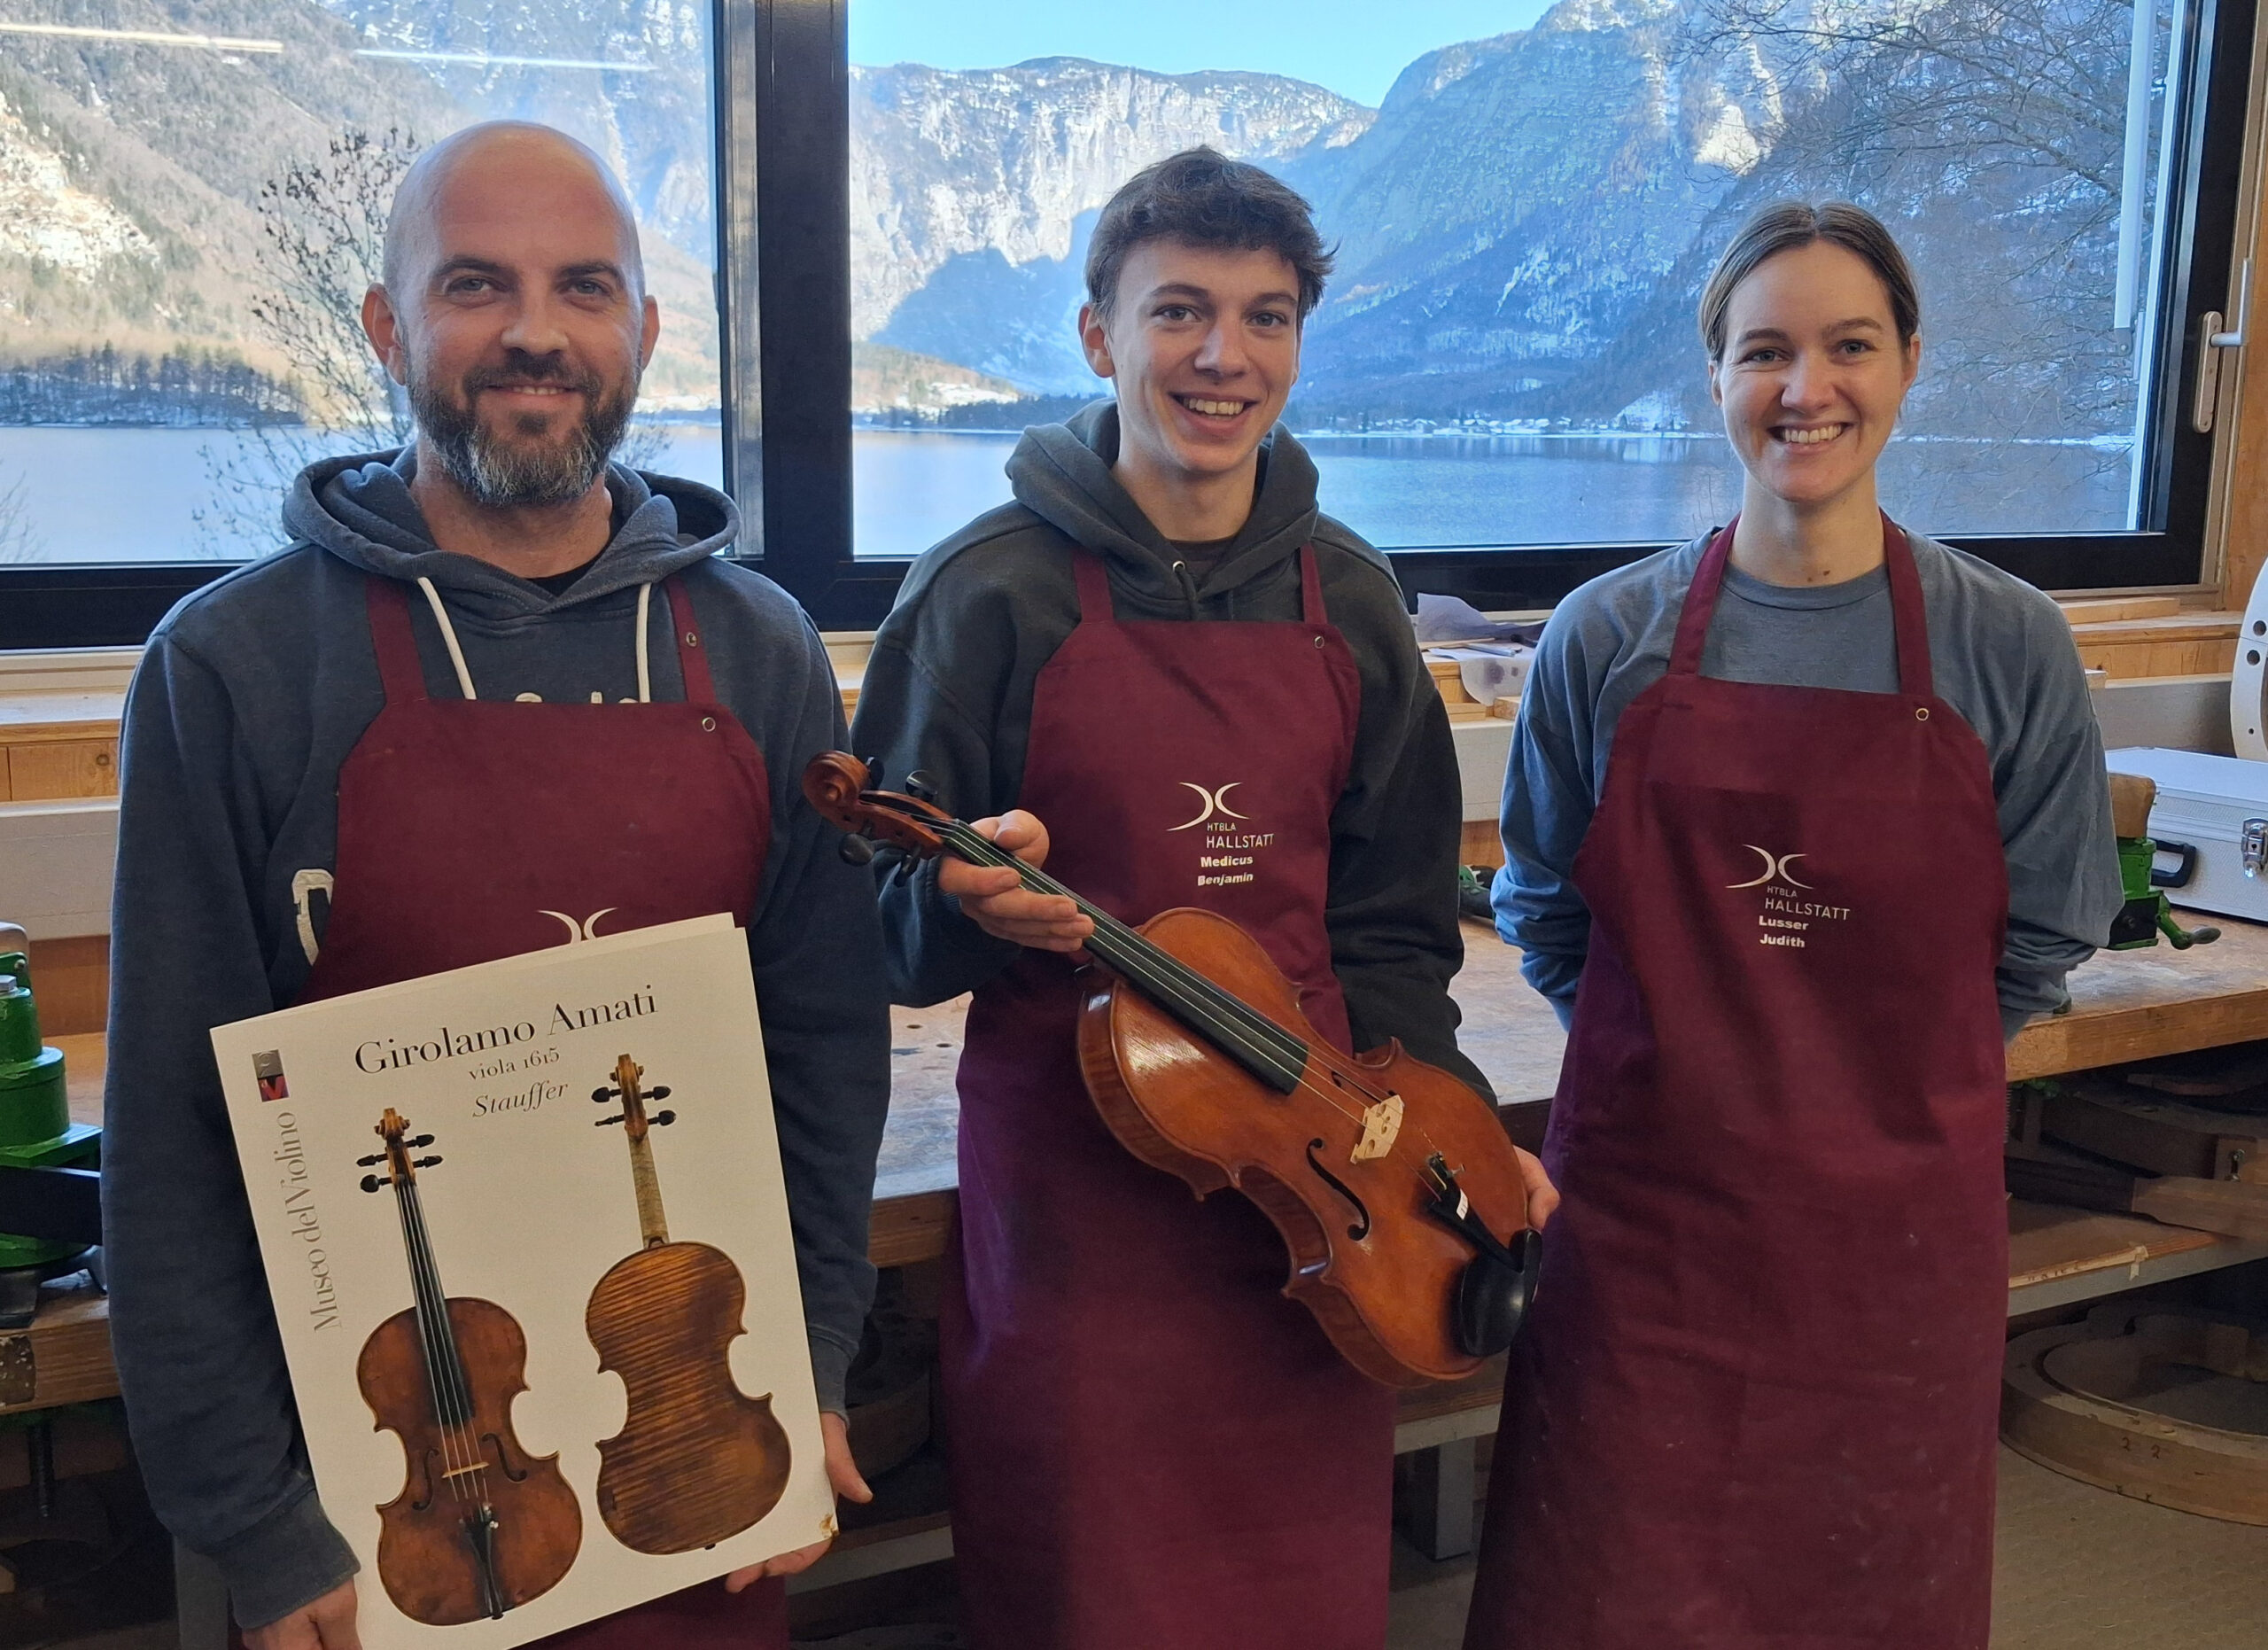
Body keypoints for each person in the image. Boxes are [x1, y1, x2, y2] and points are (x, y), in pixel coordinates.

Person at [101, 122, 889, 1649]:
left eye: (584, 287)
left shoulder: (769, 650)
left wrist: (816, 1368)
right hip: (377, 1516)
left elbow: (824, 1058)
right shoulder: (230, 669)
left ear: (643, 334)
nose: (536, 330)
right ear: (390, 325)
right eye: (477, 284)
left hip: (701, 1455)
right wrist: (260, 1529)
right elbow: (175, 1141)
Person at [849, 146, 1555, 1650]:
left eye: (1268, 315)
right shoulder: (983, 593)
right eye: (1179, 311)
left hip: (1315, 1189)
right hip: (1076, 1204)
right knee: (1085, 1590)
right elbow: (871, 932)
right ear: (1100, 335)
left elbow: (1394, 931)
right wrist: (956, 904)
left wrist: (1444, 1133)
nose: (1224, 357)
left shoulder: (1354, 604)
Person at [1466, 200, 2123, 1648]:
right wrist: (1676, 1067)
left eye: (1849, 346)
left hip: (1892, 1258)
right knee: (1605, 1593)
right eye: (1765, 350)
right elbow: (1545, 909)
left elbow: (2050, 929)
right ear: (1713, 376)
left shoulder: (2008, 643)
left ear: (1907, 366)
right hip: (1646, 1236)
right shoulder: (1604, 637)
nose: (1804, 388)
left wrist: (1891, 1095)